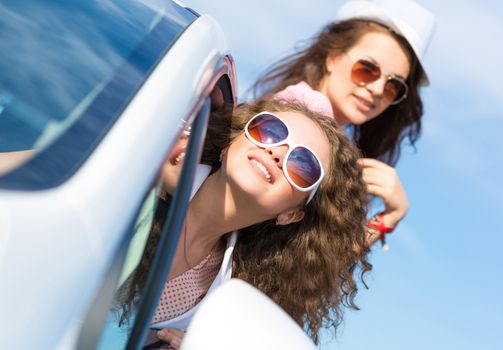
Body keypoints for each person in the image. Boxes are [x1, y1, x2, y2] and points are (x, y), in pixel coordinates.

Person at [116, 100, 371, 347]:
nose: (277, 151)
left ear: (290, 214)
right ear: (229, 144)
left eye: (303, 166)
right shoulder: (148, 173)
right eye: (270, 131)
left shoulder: (230, 301)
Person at [253, 0, 436, 248]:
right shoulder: (305, 117)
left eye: (393, 85)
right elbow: (312, 257)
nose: (377, 89)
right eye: (367, 69)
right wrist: (389, 218)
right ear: (333, 58)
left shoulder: (318, 128)